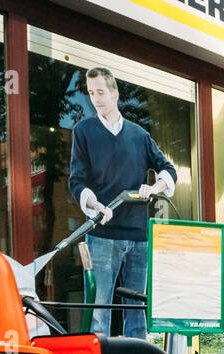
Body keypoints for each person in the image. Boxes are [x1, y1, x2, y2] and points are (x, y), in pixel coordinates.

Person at [68, 67, 177, 338]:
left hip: (140, 238)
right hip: (102, 236)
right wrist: (94, 205)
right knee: (98, 314)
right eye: (91, 93)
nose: (96, 99)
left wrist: (154, 188)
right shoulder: (83, 132)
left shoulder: (139, 136)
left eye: (101, 92)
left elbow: (168, 169)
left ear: (114, 93)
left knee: (137, 313)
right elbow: (76, 181)